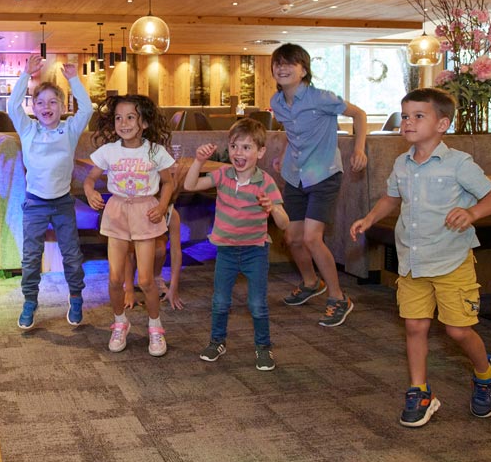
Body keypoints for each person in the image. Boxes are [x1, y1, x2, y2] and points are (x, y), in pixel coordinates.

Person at [350, 88, 491, 427]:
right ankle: (419, 391)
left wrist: (472, 212)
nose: (408, 122)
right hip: (413, 259)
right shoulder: (402, 163)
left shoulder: (458, 164)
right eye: (405, 115)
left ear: (442, 124)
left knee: (458, 331)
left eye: (418, 116)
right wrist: (369, 219)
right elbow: (391, 198)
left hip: (451, 259)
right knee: (415, 326)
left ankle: (486, 373)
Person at [269, 43, 367, 327]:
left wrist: (359, 149)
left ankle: (338, 298)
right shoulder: (277, 103)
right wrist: (283, 154)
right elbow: (292, 132)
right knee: (292, 238)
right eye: (278, 64)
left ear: (303, 70)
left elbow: (359, 115)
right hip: (294, 175)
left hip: (323, 174)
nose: (282, 68)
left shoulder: (322, 98)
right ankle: (311, 283)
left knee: (312, 238)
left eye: (290, 64)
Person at [184, 119, 288, 370]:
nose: (238, 153)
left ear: (260, 152)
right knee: (220, 301)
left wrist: (272, 207)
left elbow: (284, 223)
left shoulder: (266, 182)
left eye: (246, 147)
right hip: (227, 251)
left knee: (257, 304)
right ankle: (217, 341)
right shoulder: (222, 174)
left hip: (255, 251)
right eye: (234, 146)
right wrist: (197, 161)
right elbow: (189, 185)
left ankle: (263, 347)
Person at [83, 95, 174, 356]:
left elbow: (168, 183)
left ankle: (155, 327)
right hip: (117, 212)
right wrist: (90, 192)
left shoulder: (155, 151)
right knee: (114, 279)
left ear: (144, 122)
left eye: (130, 117)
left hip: (145, 212)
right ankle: (120, 322)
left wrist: (162, 205)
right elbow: (89, 180)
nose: (123, 123)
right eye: (118, 118)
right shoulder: (109, 151)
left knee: (146, 280)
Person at [8, 54, 93, 329]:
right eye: (41, 102)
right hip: (35, 204)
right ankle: (30, 301)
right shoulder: (28, 129)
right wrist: (25, 74)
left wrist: (74, 80)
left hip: (63, 203)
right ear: (33, 107)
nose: (47, 107)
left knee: (71, 253)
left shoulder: (69, 130)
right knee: (31, 256)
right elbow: (11, 106)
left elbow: (87, 110)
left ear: (62, 106)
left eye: (53, 102)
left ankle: (76, 298)